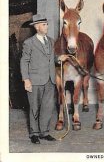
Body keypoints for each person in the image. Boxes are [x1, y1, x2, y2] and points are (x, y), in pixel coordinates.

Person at [20, 14, 67, 144]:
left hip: (50, 80)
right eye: (44, 25)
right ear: (36, 27)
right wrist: (26, 80)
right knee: (34, 107)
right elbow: (24, 62)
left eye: (46, 24)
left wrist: (59, 59)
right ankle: (34, 133)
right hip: (34, 80)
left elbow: (52, 59)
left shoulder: (51, 41)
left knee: (48, 107)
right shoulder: (29, 43)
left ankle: (44, 132)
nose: (47, 27)